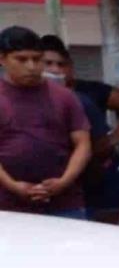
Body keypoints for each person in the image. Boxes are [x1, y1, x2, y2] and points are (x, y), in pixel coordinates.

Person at [0, 26, 91, 219]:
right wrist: (13, 186)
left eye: (37, 59)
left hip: (65, 204)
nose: (31, 66)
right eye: (22, 59)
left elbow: (83, 144)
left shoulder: (64, 97)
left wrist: (64, 182)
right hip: (7, 206)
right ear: (2, 59)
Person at [44, 36, 119, 224]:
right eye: (48, 63)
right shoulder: (31, 96)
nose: (55, 70)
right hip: (61, 184)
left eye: (61, 64)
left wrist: (116, 136)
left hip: (101, 177)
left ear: (71, 66)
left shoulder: (88, 93)